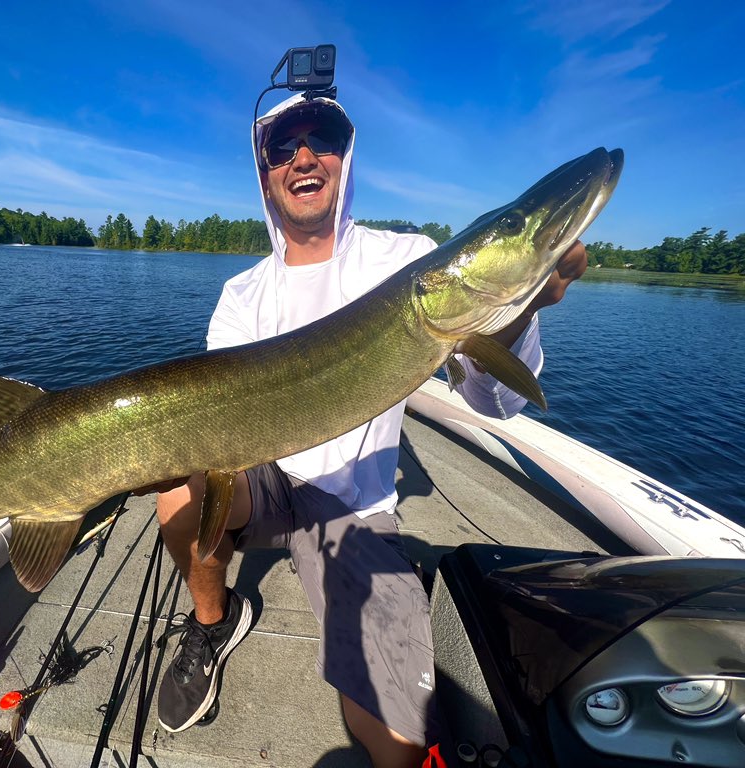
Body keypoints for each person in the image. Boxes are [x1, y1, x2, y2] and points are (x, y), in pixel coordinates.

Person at [147, 93, 587, 768]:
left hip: (353, 506)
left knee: (401, 745)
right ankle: (215, 623)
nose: (303, 155)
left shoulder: (405, 259)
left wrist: (519, 312)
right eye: (282, 146)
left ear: (343, 159)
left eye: (322, 137)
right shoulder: (242, 294)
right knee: (178, 492)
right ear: (265, 172)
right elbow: (219, 425)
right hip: (265, 479)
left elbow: (493, 403)